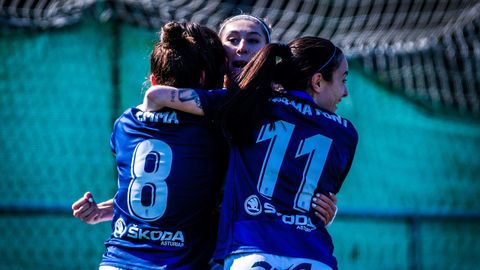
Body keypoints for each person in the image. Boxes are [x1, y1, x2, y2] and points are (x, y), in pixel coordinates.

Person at [74, 14, 338, 228]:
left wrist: (323, 209)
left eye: (253, 40)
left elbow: (300, 183)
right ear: (219, 55)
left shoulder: (280, 112)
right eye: (232, 39)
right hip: (205, 245)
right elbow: (163, 184)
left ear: (267, 53)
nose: (242, 47)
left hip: (257, 242)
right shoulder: (192, 113)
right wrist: (102, 211)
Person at [142, 36, 357, 270]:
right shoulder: (345, 133)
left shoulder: (249, 105)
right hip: (314, 257)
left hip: (251, 252)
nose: (345, 92)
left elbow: (157, 95)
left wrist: (144, 122)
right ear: (317, 81)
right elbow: (315, 198)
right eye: (343, 79)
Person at [74, 21, 229, 269]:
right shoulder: (213, 130)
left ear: (154, 79)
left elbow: (162, 188)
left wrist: (104, 210)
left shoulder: (125, 124)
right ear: (202, 79)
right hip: (177, 263)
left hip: (117, 261)